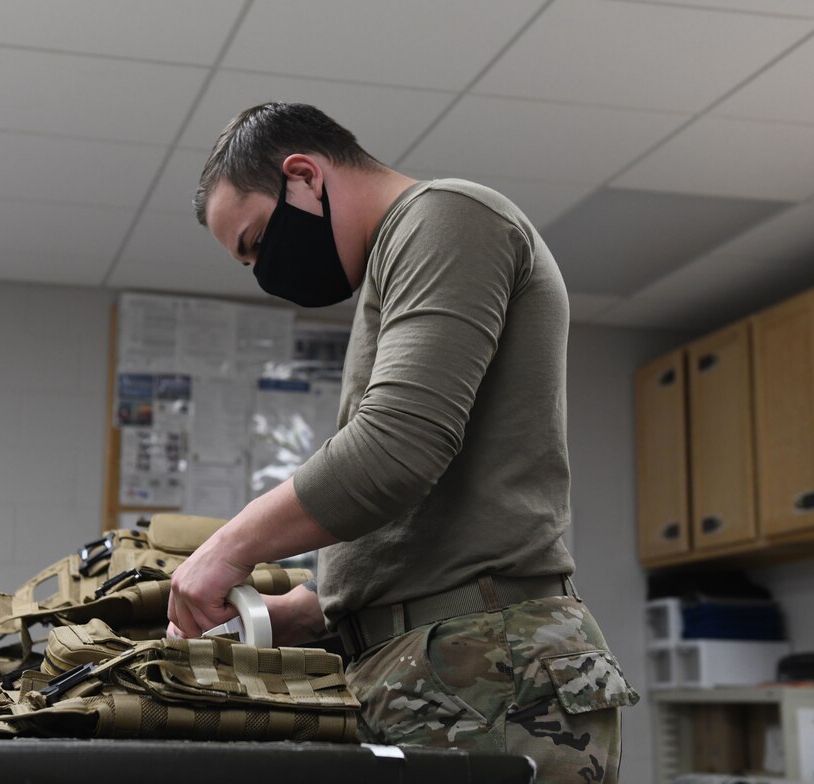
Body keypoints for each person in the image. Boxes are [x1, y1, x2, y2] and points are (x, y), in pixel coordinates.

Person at [169, 102, 638, 781]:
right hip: (438, 667)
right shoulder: (395, 259)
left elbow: (396, 450)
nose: (264, 272)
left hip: (489, 669)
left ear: (303, 175)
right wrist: (310, 609)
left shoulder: (449, 217)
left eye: (258, 241)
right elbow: (421, 508)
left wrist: (226, 549)